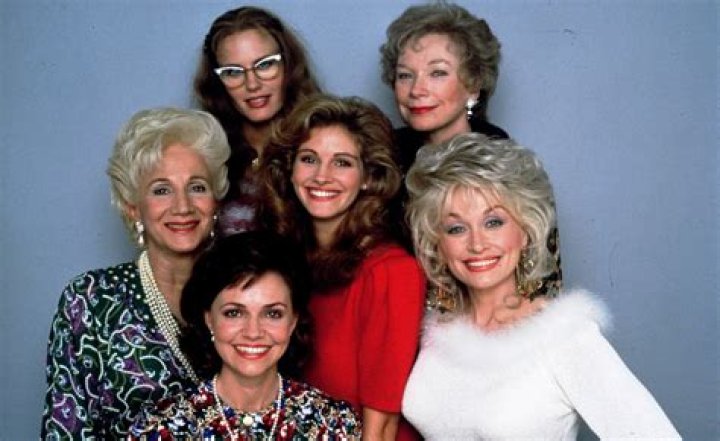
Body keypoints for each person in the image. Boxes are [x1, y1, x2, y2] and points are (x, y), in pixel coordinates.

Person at [401, 133, 681, 440]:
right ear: (437, 243)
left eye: (493, 222)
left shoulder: (564, 336)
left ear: (525, 231)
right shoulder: (438, 331)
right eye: (456, 228)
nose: (477, 244)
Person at [40, 107, 231, 438]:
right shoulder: (91, 301)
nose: (183, 206)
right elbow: (64, 429)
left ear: (215, 202)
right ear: (133, 207)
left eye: (197, 187)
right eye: (161, 190)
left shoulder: (245, 292)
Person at [257, 95, 425, 441]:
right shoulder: (287, 264)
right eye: (309, 159)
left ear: (369, 177)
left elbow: (380, 429)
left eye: (342, 163)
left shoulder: (392, 272)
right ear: (290, 169)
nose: (322, 176)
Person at [380, 1, 562, 305]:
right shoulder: (381, 159)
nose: (416, 90)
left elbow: (542, 281)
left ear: (473, 86)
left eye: (437, 73)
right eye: (405, 75)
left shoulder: (509, 167)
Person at [129, 232, 361, 440]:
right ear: (209, 319)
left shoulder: (334, 425)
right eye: (234, 313)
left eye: (272, 313)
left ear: (293, 322)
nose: (253, 332)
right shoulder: (159, 429)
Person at [195, 6, 321, 236]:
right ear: (217, 81)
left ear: (288, 65)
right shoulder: (206, 156)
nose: (252, 84)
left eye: (265, 65)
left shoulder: (325, 146)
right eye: (233, 72)